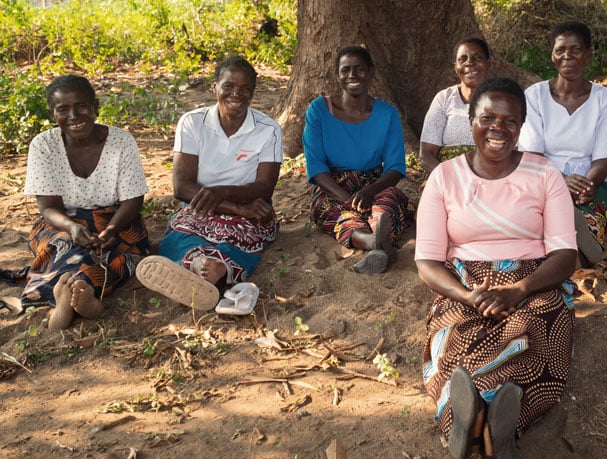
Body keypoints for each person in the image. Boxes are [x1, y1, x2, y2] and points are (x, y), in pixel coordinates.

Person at [416, 77, 577, 459]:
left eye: (510, 121)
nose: (498, 129)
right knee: (455, 336)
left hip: (533, 279)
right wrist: (468, 296)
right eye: (487, 118)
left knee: (535, 330)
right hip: (464, 280)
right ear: (469, 121)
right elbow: (429, 262)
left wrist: (520, 289)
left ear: (522, 126)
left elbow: (565, 255)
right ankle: (479, 428)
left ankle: (483, 429)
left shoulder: (544, 174)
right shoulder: (444, 179)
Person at [136, 56, 282, 314]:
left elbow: (264, 187)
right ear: (214, 87)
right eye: (228, 86)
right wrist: (233, 207)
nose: (236, 93)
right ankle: (200, 266)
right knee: (181, 231)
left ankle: (214, 269)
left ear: (253, 92)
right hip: (201, 203)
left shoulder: (267, 129)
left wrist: (223, 192)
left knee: (242, 235)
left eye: (245, 88)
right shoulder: (193, 122)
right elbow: (182, 187)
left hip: (251, 204)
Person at [15, 74, 150, 329]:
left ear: (96, 107)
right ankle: (82, 291)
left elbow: (133, 200)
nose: (74, 115)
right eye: (63, 109)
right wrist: (72, 227)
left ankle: (72, 289)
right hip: (62, 220)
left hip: (116, 218)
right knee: (63, 245)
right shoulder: (43, 146)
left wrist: (111, 229)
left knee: (126, 252)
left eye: (82, 106)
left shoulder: (121, 142)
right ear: (52, 114)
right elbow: (48, 208)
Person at [519, 21, 607, 266]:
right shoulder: (535, 96)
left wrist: (588, 184)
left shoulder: (602, 97)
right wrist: (561, 181)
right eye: (561, 50)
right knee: (533, 212)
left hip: (594, 184)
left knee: (590, 216)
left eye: (576, 50)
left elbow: (604, 157)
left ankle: (571, 251)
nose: (568, 56)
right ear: (552, 55)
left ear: (588, 54)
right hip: (543, 179)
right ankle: (573, 253)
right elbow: (531, 154)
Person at [303, 45, 410, 274]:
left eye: (359, 69)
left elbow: (395, 168)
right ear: (338, 75)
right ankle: (373, 243)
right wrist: (347, 198)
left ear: (370, 73)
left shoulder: (387, 114)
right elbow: (316, 167)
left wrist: (369, 192)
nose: (352, 76)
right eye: (345, 70)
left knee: (391, 200)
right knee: (333, 211)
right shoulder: (319, 110)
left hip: (374, 184)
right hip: (332, 186)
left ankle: (376, 242)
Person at [419, 37, 491, 174]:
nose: (470, 63)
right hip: (446, 179)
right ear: (456, 67)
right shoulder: (444, 98)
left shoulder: (501, 100)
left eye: (477, 57)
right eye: (462, 59)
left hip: (489, 179)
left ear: (488, 64)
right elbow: (426, 155)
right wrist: (452, 180)